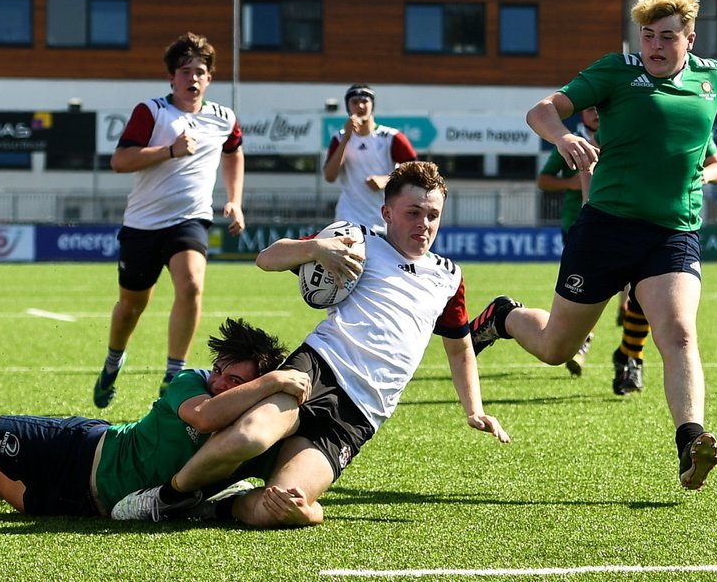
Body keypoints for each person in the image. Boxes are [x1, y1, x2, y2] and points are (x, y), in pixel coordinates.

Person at [469, 0, 717, 492]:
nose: (655, 45)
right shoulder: (615, 71)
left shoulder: (711, 79)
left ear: (689, 38)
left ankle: (690, 441)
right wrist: (562, 136)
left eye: (667, 36)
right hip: (604, 229)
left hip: (672, 234)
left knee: (680, 333)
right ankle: (503, 316)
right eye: (648, 35)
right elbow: (542, 109)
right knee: (557, 347)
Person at [112, 160, 508, 527]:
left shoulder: (448, 276)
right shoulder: (356, 241)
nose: (424, 224)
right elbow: (267, 258)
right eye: (413, 213)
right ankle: (166, 498)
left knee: (282, 505)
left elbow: (459, 348)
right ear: (387, 213)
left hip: (362, 413)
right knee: (250, 436)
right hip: (317, 369)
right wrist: (316, 248)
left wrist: (474, 409)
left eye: (433, 215)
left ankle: (221, 503)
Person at [0, 319, 309, 517]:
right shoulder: (192, 383)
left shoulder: (254, 427)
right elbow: (205, 417)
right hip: (80, 449)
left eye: (235, 381)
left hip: (88, 505)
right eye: (221, 373)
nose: (221, 383)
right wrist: (271, 382)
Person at [93, 32, 246, 409]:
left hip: (190, 220)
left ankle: (174, 374)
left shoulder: (223, 118)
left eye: (200, 72)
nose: (192, 78)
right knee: (131, 307)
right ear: (171, 78)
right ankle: (114, 360)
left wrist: (235, 200)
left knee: (192, 285)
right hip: (143, 224)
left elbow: (234, 153)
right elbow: (119, 161)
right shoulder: (153, 111)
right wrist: (170, 151)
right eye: (185, 71)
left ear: (209, 79)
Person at [611, 141, 717, 396]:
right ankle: (618, 354)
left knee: (652, 303)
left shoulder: (695, 115)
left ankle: (631, 358)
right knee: (559, 342)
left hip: (672, 230)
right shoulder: (628, 114)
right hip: (621, 222)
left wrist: (702, 175)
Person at [535, 105, 600, 377]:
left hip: (623, 222)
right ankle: (584, 340)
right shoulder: (573, 142)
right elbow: (544, 180)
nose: (596, 112)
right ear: (581, 114)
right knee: (587, 285)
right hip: (578, 224)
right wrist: (571, 184)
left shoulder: (623, 133)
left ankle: (631, 354)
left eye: (601, 107)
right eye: (590, 108)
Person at [323, 84, 417, 233]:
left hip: (383, 220)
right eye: (354, 102)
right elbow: (329, 176)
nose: (360, 106)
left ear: (372, 105)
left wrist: (387, 180)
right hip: (348, 220)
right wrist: (347, 139)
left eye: (364, 101)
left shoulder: (391, 137)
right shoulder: (339, 138)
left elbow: (415, 172)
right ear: (348, 107)